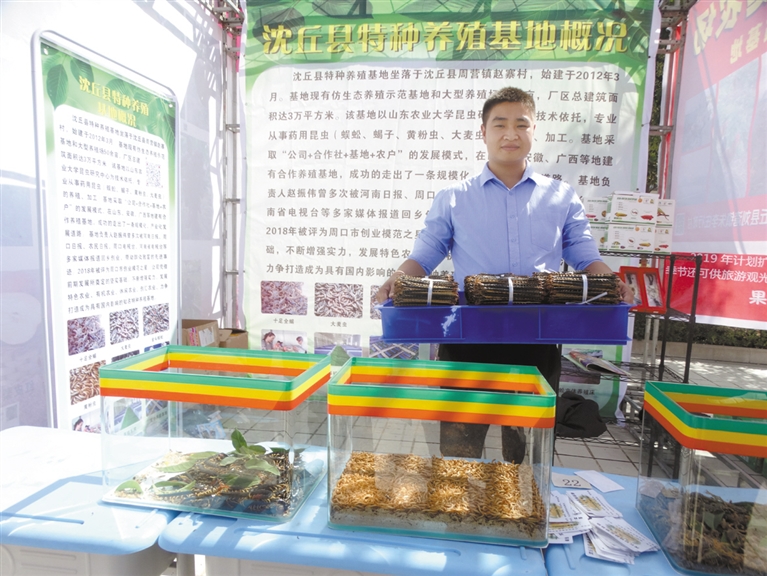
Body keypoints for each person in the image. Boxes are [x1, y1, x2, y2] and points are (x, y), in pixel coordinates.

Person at [377, 87, 633, 464]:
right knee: (460, 451)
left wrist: (612, 284)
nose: (510, 134)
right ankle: (461, 493)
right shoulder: (454, 197)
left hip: (537, 339)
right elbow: (427, 252)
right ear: (484, 132)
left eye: (521, 124)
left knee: (526, 454)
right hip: (467, 339)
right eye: (500, 124)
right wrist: (396, 280)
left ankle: (523, 493)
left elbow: (583, 253)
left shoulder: (561, 197)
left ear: (534, 130)